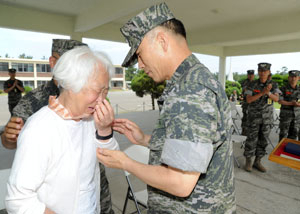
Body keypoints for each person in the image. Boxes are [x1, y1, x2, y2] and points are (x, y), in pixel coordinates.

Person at [97, 3, 236, 214]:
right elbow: (193, 148)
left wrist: (125, 162)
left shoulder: (190, 90)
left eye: (140, 55)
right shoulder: (194, 79)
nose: (140, 66)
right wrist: (145, 139)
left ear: (162, 41)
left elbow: (180, 182)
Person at [1, 39, 115, 214]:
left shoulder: (90, 117)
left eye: (105, 91)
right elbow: (18, 200)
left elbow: (111, 158)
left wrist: (105, 130)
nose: (102, 100)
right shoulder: (40, 129)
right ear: (70, 83)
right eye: (96, 90)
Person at [243, 63, 280, 172]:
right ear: (258, 72)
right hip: (253, 118)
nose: (262, 73)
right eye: (260, 71)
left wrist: (268, 93)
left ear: (268, 72)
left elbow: (276, 99)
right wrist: (262, 93)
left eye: (265, 71)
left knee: (263, 141)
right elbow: (248, 100)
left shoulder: (274, 84)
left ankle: (257, 161)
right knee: (251, 140)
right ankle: (248, 162)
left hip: (267, 118)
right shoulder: (252, 84)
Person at [278, 70, 300, 141]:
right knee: (283, 135)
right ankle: (280, 152)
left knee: (294, 136)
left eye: (295, 77)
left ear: (298, 78)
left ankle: (290, 151)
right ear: (288, 78)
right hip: (285, 117)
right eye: (291, 77)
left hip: (297, 117)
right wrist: (292, 103)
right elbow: (280, 101)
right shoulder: (283, 88)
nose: (293, 79)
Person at [241, 69, 255, 136]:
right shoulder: (245, 82)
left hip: (253, 103)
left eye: (252, 75)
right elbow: (245, 90)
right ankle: (244, 131)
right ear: (247, 75)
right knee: (245, 118)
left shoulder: (256, 82)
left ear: (254, 75)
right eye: (249, 75)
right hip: (246, 103)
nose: (250, 76)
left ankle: (251, 131)